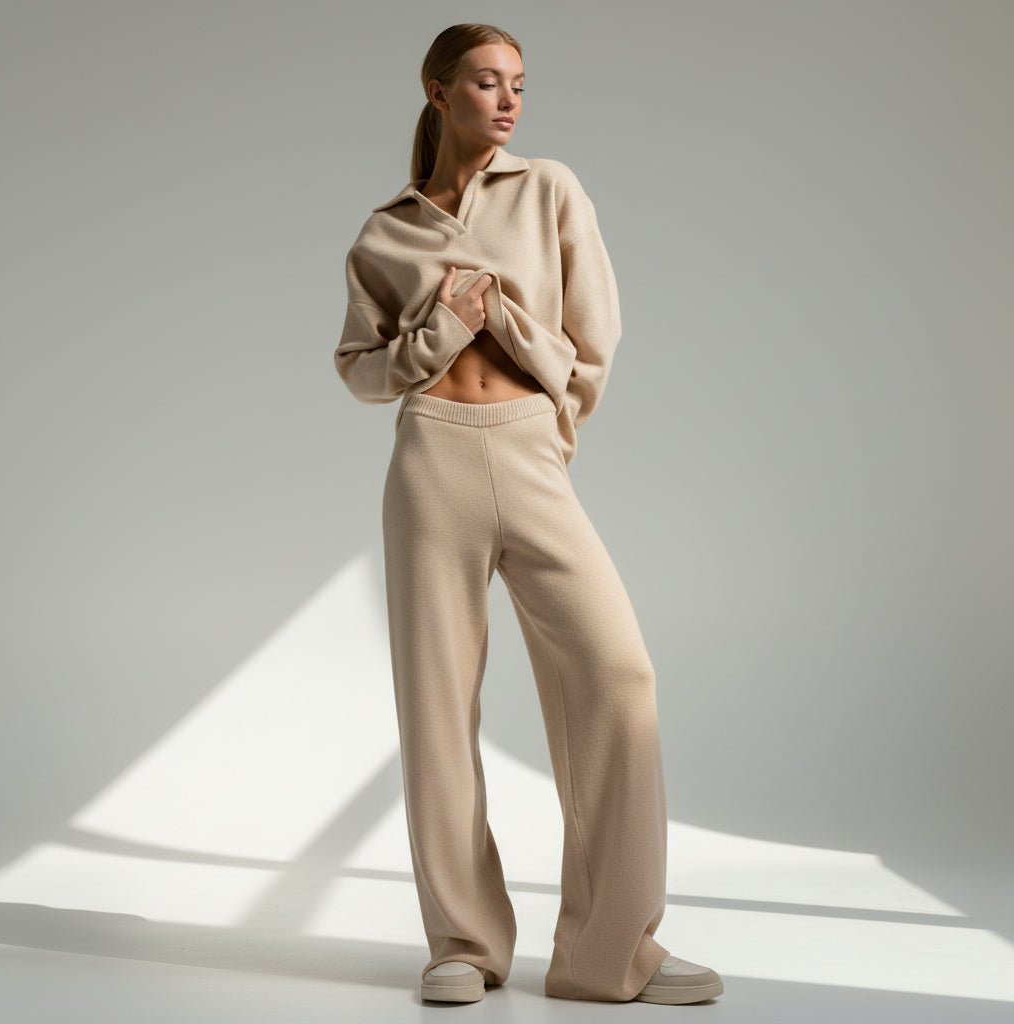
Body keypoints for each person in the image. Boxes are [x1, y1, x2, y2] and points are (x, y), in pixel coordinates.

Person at [334, 22, 724, 1007]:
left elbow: (598, 332)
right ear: (436, 91)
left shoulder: (550, 187)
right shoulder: (386, 232)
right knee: (436, 705)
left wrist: (551, 419)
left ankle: (611, 949)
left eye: (517, 85)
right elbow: (360, 370)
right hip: (430, 458)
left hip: (528, 449)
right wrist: (440, 332)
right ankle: (460, 940)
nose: (506, 101)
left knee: (616, 672)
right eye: (483, 83)